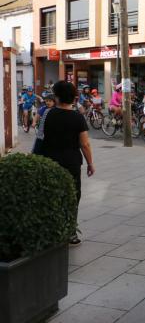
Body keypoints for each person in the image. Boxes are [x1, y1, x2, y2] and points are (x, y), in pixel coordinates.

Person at [37, 81, 95, 246]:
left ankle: (51, 230)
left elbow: (40, 138)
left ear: (56, 96)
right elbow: (84, 144)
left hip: (48, 160)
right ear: (73, 98)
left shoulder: (48, 114)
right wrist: (90, 163)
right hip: (71, 162)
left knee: (51, 194)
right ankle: (70, 232)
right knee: (72, 195)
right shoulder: (77, 117)